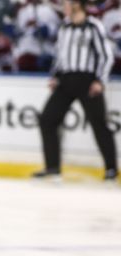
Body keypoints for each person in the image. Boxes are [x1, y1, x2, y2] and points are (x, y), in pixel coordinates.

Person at [33, 0, 117, 181]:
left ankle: (111, 169)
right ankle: (52, 167)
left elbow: (106, 56)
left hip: (88, 81)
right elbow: (60, 54)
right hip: (65, 81)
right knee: (47, 120)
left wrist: (100, 81)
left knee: (99, 124)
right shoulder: (64, 27)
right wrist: (55, 76)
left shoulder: (94, 26)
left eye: (67, 3)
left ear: (78, 4)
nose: (64, 6)